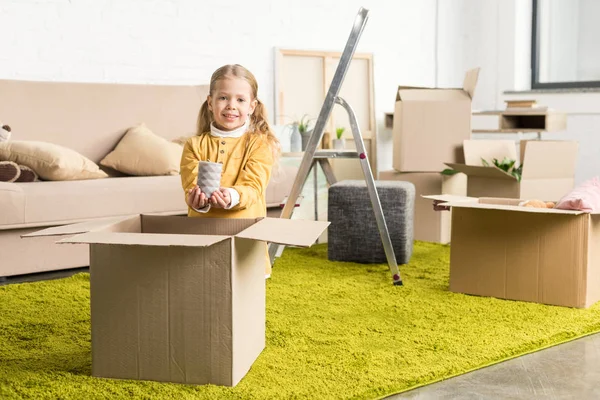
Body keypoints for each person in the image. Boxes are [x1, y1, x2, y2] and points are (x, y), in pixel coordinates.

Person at [180, 64, 281, 277]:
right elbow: (191, 184)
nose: (231, 106)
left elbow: (253, 186)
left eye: (240, 100)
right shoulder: (194, 145)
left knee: (244, 298)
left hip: (245, 238)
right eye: (223, 98)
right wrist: (197, 200)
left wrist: (232, 196)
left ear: (252, 106)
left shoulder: (259, 144)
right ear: (210, 102)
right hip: (203, 238)